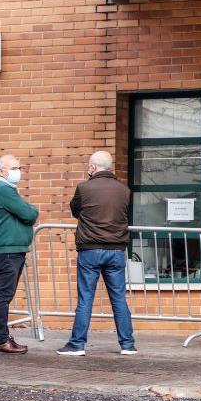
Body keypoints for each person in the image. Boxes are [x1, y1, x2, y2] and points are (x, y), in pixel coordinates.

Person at [57, 151, 136, 357]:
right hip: (117, 250)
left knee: (85, 299)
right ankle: (127, 344)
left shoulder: (84, 188)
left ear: (93, 167)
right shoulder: (124, 190)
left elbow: (75, 211)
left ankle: (77, 344)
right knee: (119, 298)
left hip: (90, 250)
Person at [0, 154, 38, 354]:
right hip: (7, 254)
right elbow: (29, 213)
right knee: (3, 297)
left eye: (19, 167)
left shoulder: (8, 190)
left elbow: (24, 213)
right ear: (1, 171)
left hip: (13, 252)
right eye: (13, 168)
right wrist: (30, 212)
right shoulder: (2, 190)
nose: (18, 171)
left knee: (5, 296)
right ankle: (0, 340)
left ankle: (4, 337)